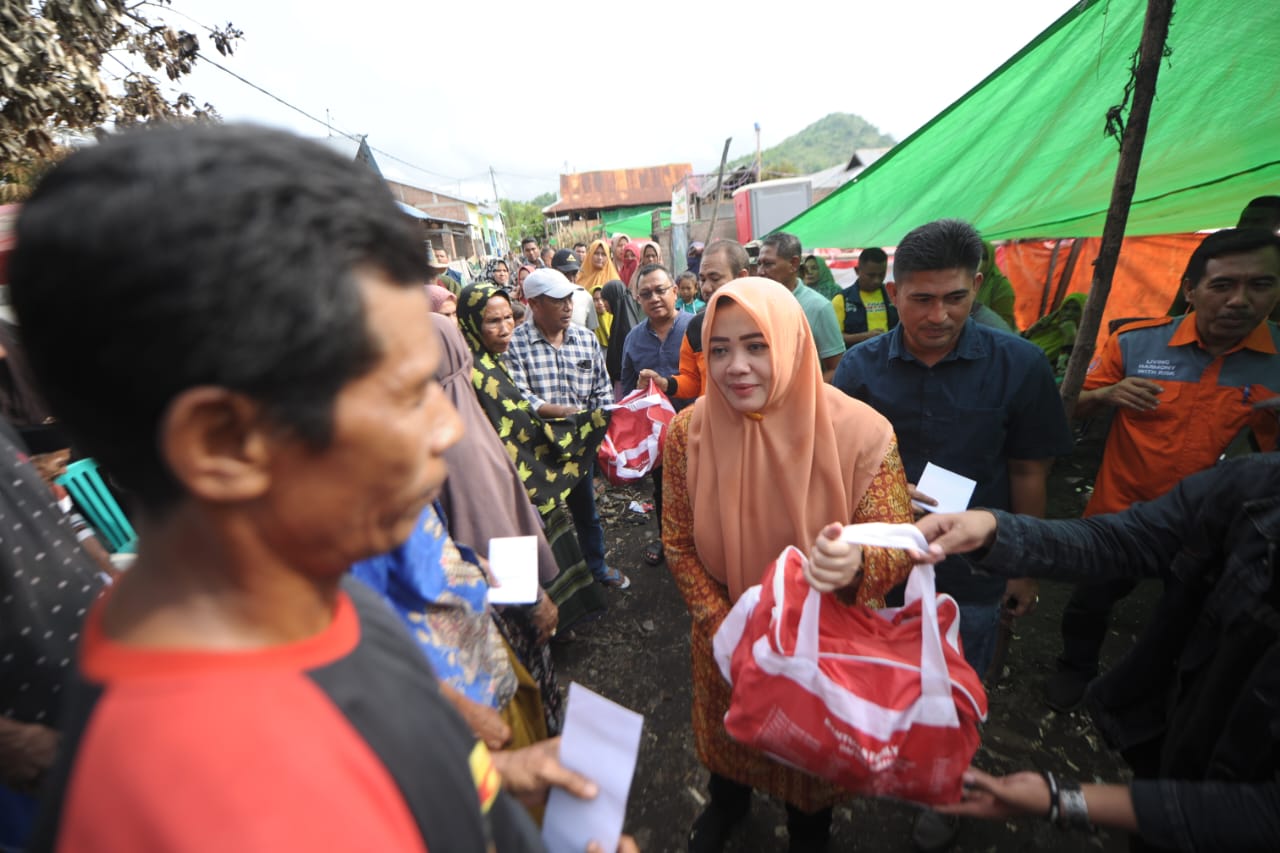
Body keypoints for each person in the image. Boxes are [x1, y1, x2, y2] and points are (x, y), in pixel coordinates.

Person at [10, 123, 632, 852]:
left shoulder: (314, 600)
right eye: (406, 395)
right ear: (223, 443)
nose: (448, 428)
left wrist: (484, 777)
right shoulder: (198, 812)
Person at [832, 219, 1073, 850]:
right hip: (880, 564)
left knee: (958, 685)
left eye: (956, 298)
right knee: (880, 668)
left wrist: (1024, 564)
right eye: (922, 299)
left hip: (973, 570)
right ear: (894, 291)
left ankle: (945, 786)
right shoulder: (857, 373)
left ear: (977, 288)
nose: (939, 315)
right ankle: (881, 753)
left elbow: (1027, 469)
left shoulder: (1018, 366)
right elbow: (828, 469)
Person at [915, 453, 1280, 853]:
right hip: (1177, 739)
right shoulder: (1257, 483)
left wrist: (1063, 800)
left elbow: (1262, 814)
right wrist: (995, 530)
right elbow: (1128, 539)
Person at [666, 276, 914, 853]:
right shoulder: (688, 432)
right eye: (720, 349)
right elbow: (677, 542)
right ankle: (726, 808)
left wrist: (853, 565)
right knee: (732, 744)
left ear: (792, 342)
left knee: (810, 764)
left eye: (757, 345)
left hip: (822, 643)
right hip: (726, 633)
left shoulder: (860, 432)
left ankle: (809, 834)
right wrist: (725, 623)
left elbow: (896, 544)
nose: (735, 367)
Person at [1045, 227, 1280, 713]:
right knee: (1090, 602)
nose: (1240, 301)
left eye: (1260, 285)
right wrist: (1105, 395)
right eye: (1222, 286)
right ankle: (1075, 667)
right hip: (1125, 511)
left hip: (1221, 527)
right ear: (1191, 290)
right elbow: (1064, 407)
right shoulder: (1136, 344)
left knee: (1191, 616)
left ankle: (1162, 695)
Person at [454, 283, 611, 631]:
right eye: (492, 321)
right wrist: (575, 426)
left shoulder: (492, 361)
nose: (505, 327)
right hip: (505, 484)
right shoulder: (470, 373)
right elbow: (515, 423)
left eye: (508, 317)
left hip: (527, 472)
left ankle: (558, 620)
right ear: (470, 324)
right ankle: (535, 628)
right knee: (521, 548)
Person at [505, 269, 628, 590]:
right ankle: (551, 584)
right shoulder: (516, 345)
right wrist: (559, 412)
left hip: (579, 447)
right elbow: (518, 396)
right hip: (537, 451)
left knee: (586, 512)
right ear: (533, 304)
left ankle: (596, 567)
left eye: (569, 298)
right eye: (557, 300)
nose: (568, 306)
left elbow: (602, 390)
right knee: (541, 519)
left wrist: (595, 426)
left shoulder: (585, 340)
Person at [620, 264, 694, 567]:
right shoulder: (633, 339)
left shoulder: (697, 328)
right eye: (646, 293)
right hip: (659, 436)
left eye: (660, 290)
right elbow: (627, 393)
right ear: (638, 300)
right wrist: (639, 391)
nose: (655, 298)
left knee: (704, 489)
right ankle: (668, 540)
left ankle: (707, 543)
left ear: (674, 292)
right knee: (665, 490)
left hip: (700, 427)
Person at [640, 240, 749, 400]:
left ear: (741, 277)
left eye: (715, 278)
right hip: (715, 420)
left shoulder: (765, 321)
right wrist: (664, 383)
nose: (705, 288)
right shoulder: (697, 328)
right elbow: (692, 381)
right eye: (703, 279)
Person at [757, 232, 844, 381]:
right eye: (759, 264)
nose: (760, 272)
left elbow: (836, 367)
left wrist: (808, 396)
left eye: (768, 264)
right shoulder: (755, 303)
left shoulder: (819, 308)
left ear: (794, 264)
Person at [832, 247, 895, 347]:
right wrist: (865, 337)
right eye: (871, 275)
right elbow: (834, 338)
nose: (877, 280)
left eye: (881, 275)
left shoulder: (892, 295)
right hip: (857, 359)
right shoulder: (842, 300)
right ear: (857, 270)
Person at [601, 279, 644, 397]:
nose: (603, 304)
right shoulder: (620, 321)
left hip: (625, 385)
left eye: (605, 299)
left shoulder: (624, 327)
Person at [975, 240, 1018, 331]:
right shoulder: (962, 281)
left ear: (990, 259)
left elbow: (1003, 326)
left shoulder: (1001, 287)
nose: (976, 262)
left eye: (982, 257)